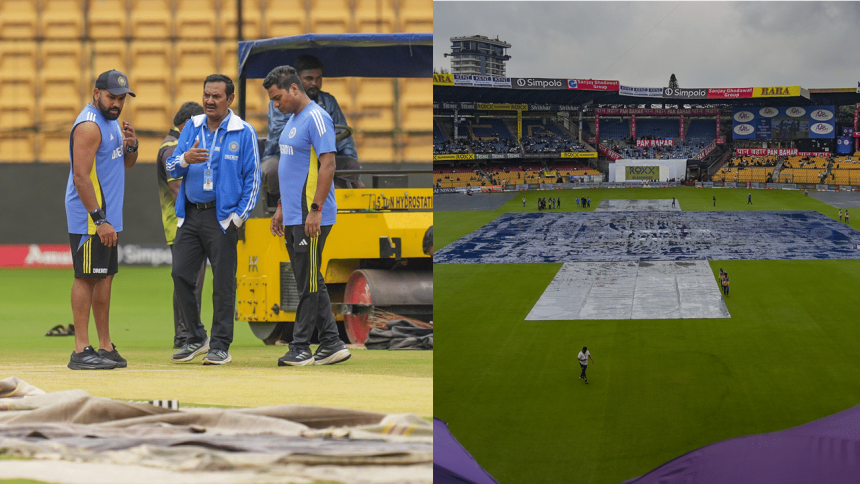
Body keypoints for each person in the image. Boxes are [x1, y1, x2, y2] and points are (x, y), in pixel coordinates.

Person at [166, 74, 260, 365]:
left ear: (230, 99)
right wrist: (185, 159)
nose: (209, 101)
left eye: (216, 96)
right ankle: (196, 337)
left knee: (223, 284)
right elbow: (171, 167)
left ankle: (220, 345)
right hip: (191, 214)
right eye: (206, 95)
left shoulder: (243, 131)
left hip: (222, 218)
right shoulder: (192, 127)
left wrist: (237, 218)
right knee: (180, 275)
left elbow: (253, 178)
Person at [264, 65, 351, 367]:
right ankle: (331, 343)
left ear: (293, 88)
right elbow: (292, 169)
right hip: (294, 214)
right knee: (311, 278)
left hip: (309, 216)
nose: (276, 104)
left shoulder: (317, 117)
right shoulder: (292, 120)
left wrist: (315, 210)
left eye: (277, 98)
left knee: (307, 282)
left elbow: (328, 165)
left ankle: (300, 347)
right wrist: (280, 207)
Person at [64, 69, 138, 370]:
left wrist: (131, 146)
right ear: (97, 94)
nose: (117, 103)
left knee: (105, 276)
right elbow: (81, 177)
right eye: (111, 97)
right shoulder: (89, 125)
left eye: (121, 99)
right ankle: (81, 349)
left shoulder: (112, 123)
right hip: (90, 218)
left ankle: (105, 346)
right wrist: (99, 219)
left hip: (108, 217)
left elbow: (127, 165)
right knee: (86, 276)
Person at [261, 54, 360, 207]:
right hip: (284, 155)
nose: (314, 83)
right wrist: (313, 138)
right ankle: (283, 205)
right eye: (309, 78)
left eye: (318, 78)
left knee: (351, 165)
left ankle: (329, 200)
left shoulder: (329, 102)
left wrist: (354, 176)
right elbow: (282, 135)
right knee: (272, 170)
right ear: (296, 82)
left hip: (320, 156)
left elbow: (344, 139)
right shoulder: (281, 102)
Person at [157, 102, 207, 349]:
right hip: (182, 224)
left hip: (181, 223)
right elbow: (177, 190)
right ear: (188, 123)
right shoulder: (172, 148)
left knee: (188, 281)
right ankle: (186, 334)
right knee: (189, 281)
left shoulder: (173, 145)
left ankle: (186, 333)